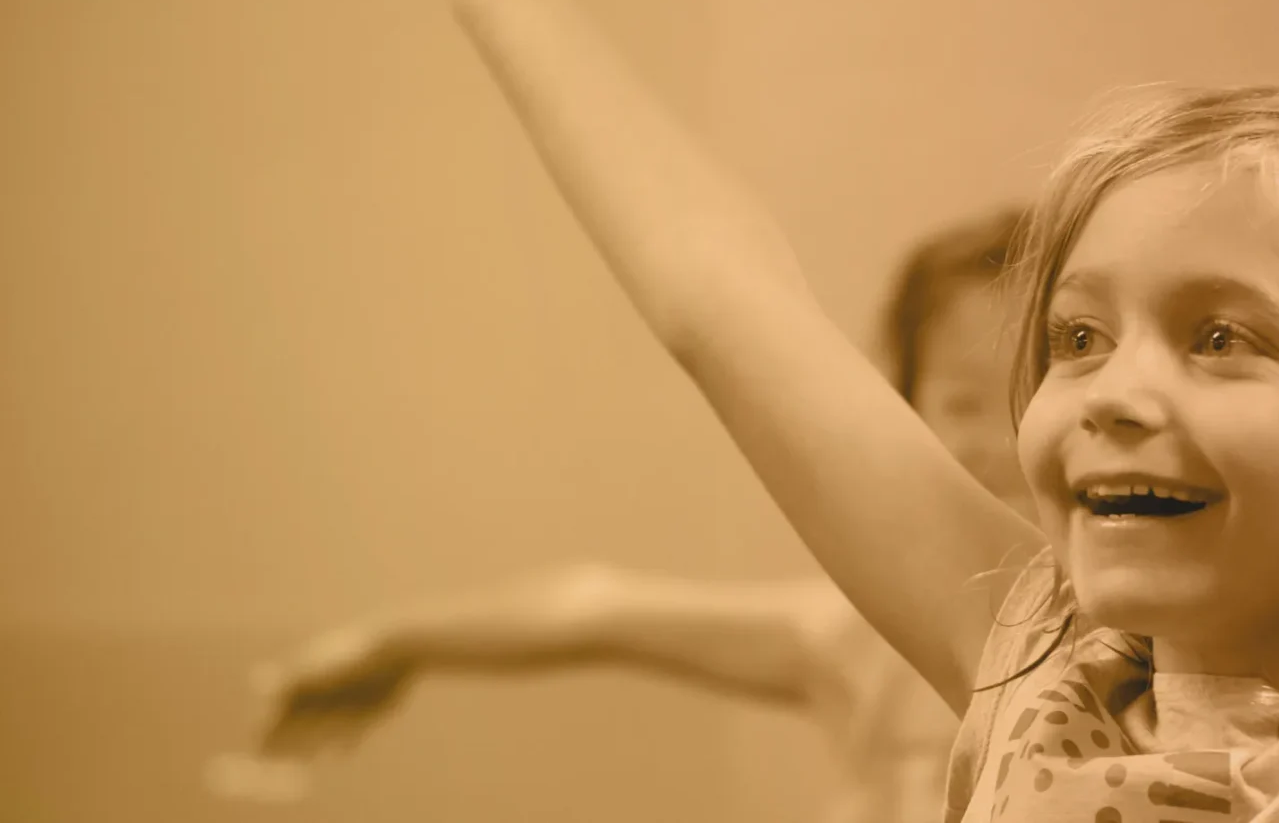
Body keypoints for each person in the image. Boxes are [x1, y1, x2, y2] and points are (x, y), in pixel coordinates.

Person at [342, 0, 1279, 820]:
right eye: (1075, 338)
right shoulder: (1030, 675)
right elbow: (722, 307)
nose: (1108, 391)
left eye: (1219, 338)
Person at [225, 208, 1031, 823]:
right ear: (900, 405)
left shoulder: (1132, 654)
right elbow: (595, 604)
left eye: (1023, 398)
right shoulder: (856, 640)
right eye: (960, 402)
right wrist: (395, 639)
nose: (997, 442)